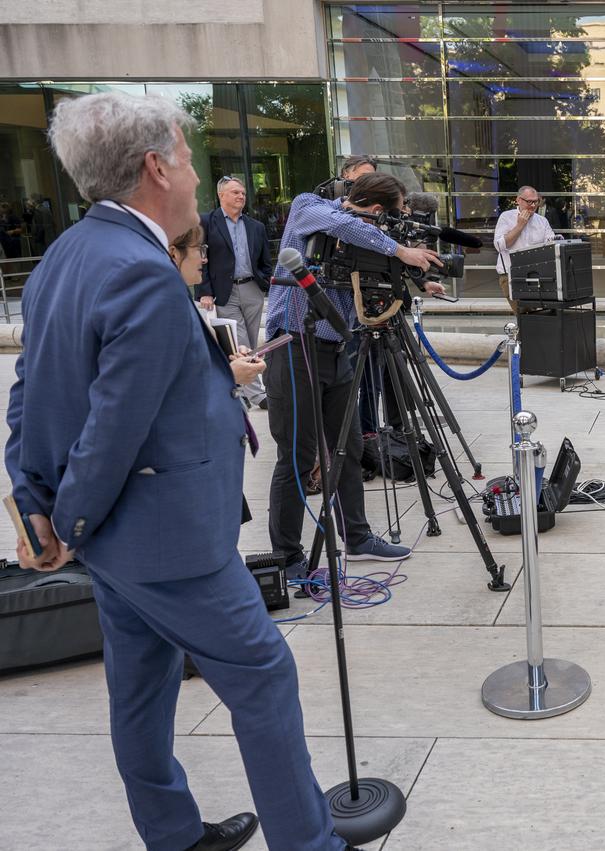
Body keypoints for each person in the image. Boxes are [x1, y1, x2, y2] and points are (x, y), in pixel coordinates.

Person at [5, 91, 348, 851]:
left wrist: (38, 499)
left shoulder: (67, 251)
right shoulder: (143, 271)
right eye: (190, 159)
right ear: (156, 167)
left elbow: (30, 390)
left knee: (140, 691)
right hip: (164, 541)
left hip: (121, 543)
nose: (198, 176)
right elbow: (110, 429)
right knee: (263, 676)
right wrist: (67, 521)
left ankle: (172, 834)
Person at [263, 171, 443, 578]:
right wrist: (397, 248)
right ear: (377, 208)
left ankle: (357, 538)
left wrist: (414, 274)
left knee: (347, 449)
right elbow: (342, 222)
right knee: (297, 456)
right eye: (389, 214)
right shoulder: (310, 206)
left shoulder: (364, 237)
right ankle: (287, 558)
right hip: (293, 346)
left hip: (339, 350)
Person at [195, 176, 273, 409]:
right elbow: (201, 260)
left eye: (243, 193)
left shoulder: (256, 227)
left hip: (252, 289)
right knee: (239, 340)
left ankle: (241, 387)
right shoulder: (207, 222)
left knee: (249, 340)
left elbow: (266, 261)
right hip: (224, 291)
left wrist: (265, 283)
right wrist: (204, 291)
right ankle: (258, 394)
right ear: (221, 195)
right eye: (235, 192)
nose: (241, 196)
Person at [494, 185, 556, 311]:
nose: (533, 205)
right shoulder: (506, 217)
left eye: (536, 201)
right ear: (518, 200)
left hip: (536, 275)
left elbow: (551, 244)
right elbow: (499, 246)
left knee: (541, 314)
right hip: (511, 275)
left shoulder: (542, 221)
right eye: (529, 201)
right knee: (524, 315)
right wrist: (520, 225)